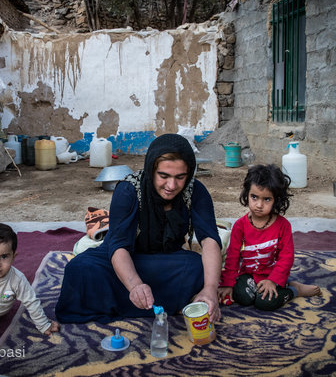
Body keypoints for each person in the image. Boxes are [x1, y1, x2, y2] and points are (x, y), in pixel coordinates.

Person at [55, 133, 223, 323]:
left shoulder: (195, 191)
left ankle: (152, 302)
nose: (171, 185)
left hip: (166, 261)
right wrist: (135, 285)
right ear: (151, 170)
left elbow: (209, 239)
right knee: (79, 269)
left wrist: (210, 289)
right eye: (163, 176)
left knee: (199, 268)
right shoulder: (128, 190)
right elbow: (119, 247)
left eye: (180, 177)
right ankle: (173, 302)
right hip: (124, 259)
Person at [217, 164, 321, 311]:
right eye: (254, 197)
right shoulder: (240, 225)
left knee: (265, 303)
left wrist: (273, 280)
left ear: (276, 200)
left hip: (274, 275)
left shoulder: (283, 225)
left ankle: (294, 290)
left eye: (267, 199)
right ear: (247, 194)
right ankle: (274, 288)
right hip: (249, 275)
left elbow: (287, 257)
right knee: (242, 297)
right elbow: (232, 256)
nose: (259, 205)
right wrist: (227, 283)